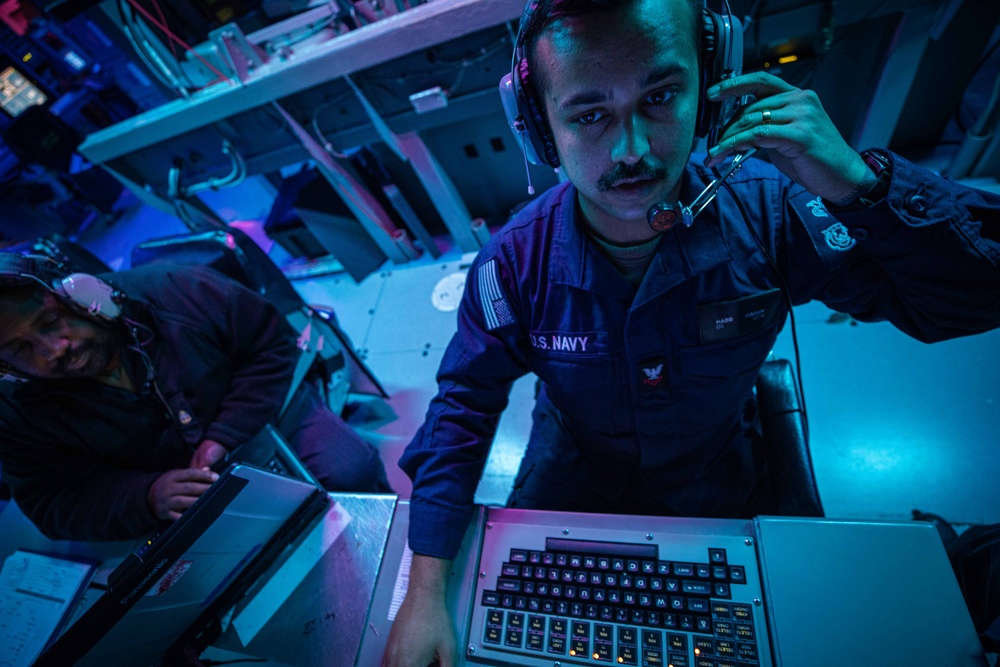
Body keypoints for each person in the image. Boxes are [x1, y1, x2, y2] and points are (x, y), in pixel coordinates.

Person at [380, 0, 1000, 664]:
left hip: (716, 472)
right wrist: (424, 589)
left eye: (661, 96)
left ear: (707, 89)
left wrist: (862, 185)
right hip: (572, 471)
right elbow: (463, 404)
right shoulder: (513, 265)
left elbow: (967, 301)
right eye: (590, 115)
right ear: (540, 129)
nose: (634, 152)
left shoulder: (773, 215)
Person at [0, 257, 390, 541]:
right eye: (21, 349)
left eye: (50, 323)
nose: (53, 351)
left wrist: (223, 433)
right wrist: (147, 497)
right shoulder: (19, 410)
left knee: (350, 470)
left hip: (261, 415)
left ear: (79, 294)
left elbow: (271, 346)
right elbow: (53, 499)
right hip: (169, 486)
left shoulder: (179, 287)